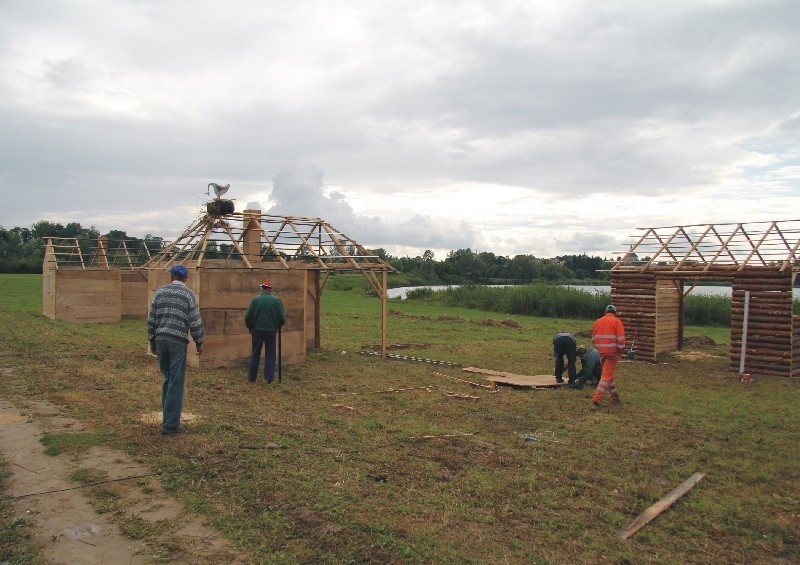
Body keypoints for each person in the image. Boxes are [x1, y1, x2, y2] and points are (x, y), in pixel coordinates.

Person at [147, 264, 205, 435]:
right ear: (185, 278)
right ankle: (171, 425)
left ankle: (167, 417)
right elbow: (194, 321)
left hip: (161, 339)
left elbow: (151, 319)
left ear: (171, 276)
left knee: (167, 378)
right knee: (176, 381)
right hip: (177, 342)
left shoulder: (160, 292)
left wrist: (152, 342)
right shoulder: (188, 295)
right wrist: (199, 342)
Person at [245, 280, 286, 383]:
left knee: (255, 354)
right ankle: (268, 378)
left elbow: (247, 316)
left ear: (262, 288)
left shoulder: (255, 300)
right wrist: (277, 326)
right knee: (270, 354)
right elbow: (282, 318)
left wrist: (250, 328)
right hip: (271, 331)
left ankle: (252, 378)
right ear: (270, 289)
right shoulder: (277, 301)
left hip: (257, 331)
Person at [591, 304, 626, 407]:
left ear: (605, 312)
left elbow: (593, 340)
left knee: (608, 374)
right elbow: (621, 340)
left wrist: (600, 348)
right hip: (612, 353)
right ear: (615, 313)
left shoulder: (597, 322)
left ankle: (615, 397)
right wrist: (620, 351)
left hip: (601, 352)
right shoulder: (617, 321)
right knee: (606, 376)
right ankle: (596, 399)